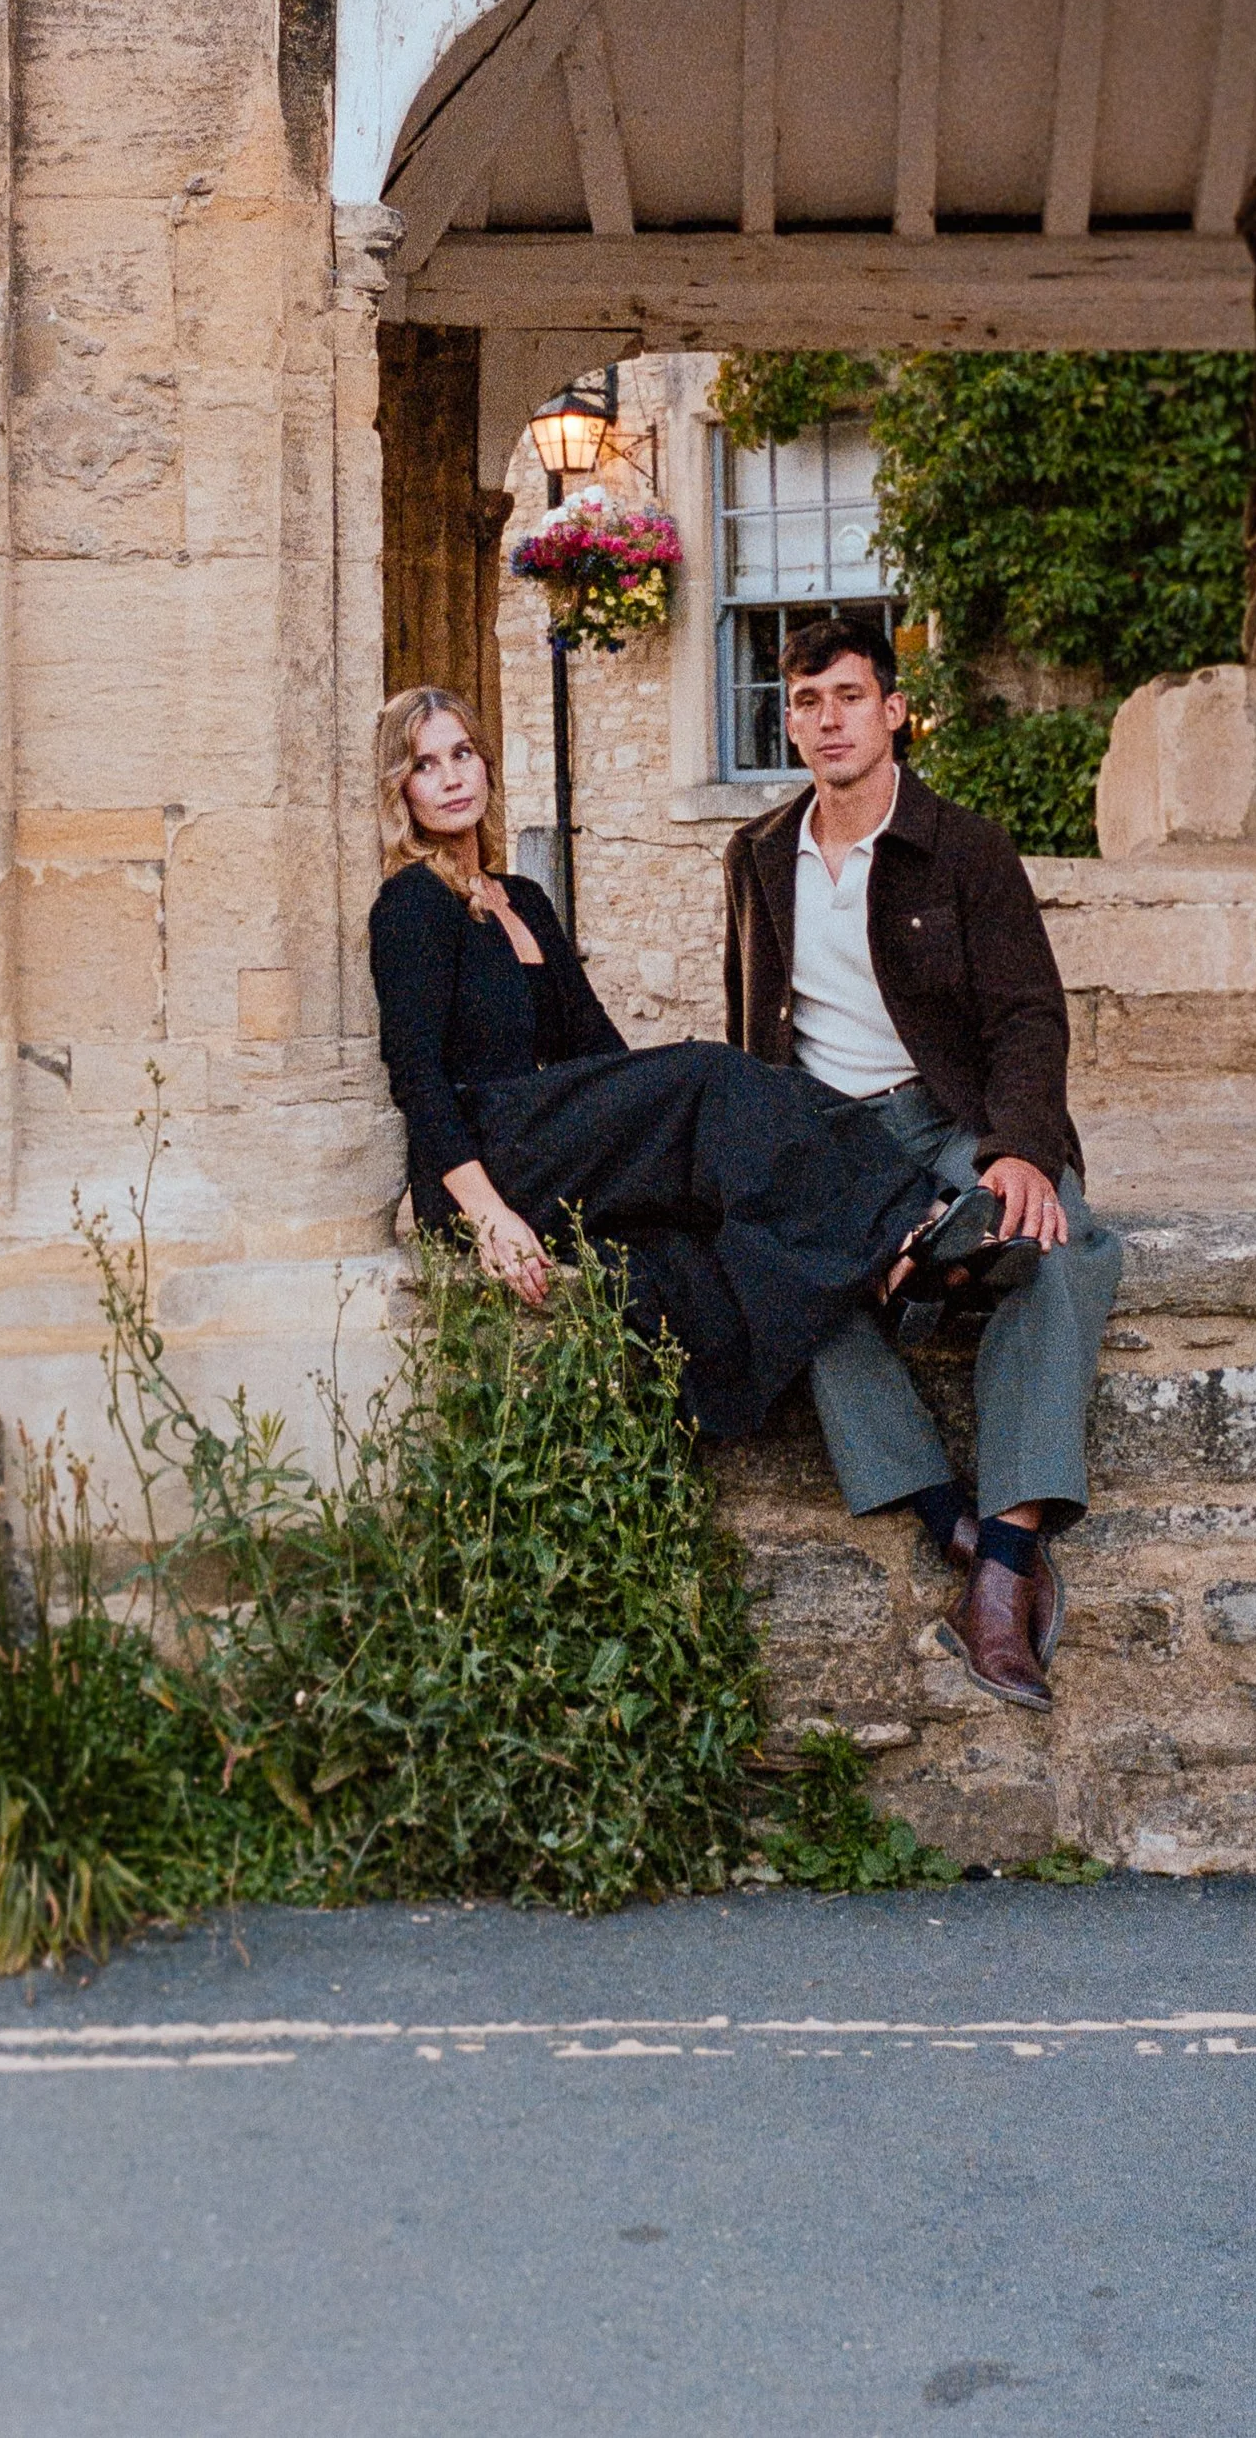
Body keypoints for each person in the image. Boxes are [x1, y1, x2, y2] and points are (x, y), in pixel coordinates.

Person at [366, 686, 970, 1444]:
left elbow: (597, 1049)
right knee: (711, 1074)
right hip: (489, 1160)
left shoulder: (521, 896)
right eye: (426, 764)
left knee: (752, 1118)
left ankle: (939, 1504)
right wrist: (489, 1216)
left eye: (462, 754)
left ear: (486, 765)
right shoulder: (413, 903)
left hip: (549, 1136)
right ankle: (909, 1224)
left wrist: (655, 1130)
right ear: (402, 787)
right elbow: (416, 1076)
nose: (452, 777)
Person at [722, 617, 1123, 1712]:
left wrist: (1022, 1151)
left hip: (948, 1116)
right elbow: (753, 1025)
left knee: (1065, 1245)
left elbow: (1029, 1018)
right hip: (832, 1138)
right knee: (784, 1272)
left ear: (893, 711)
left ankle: (1001, 1563)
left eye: (849, 696)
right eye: (806, 702)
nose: (827, 719)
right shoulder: (756, 854)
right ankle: (954, 1521)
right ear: (789, 719)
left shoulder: (965, 846)